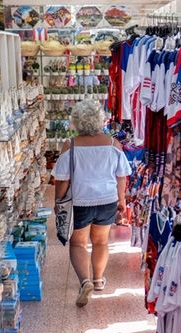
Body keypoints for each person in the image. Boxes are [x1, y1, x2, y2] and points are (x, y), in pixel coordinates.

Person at [53, 101, 132, 307]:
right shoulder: (113, 144)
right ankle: (98, 280)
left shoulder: (70, 146)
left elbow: (62, 179)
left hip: (80, 201)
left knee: (78, 243)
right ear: (100, 120)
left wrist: (58, 201)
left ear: (76, 122)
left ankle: (84, 281)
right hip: (107, 200)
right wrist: (121, 199)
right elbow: (121, 175)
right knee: (101, 241)